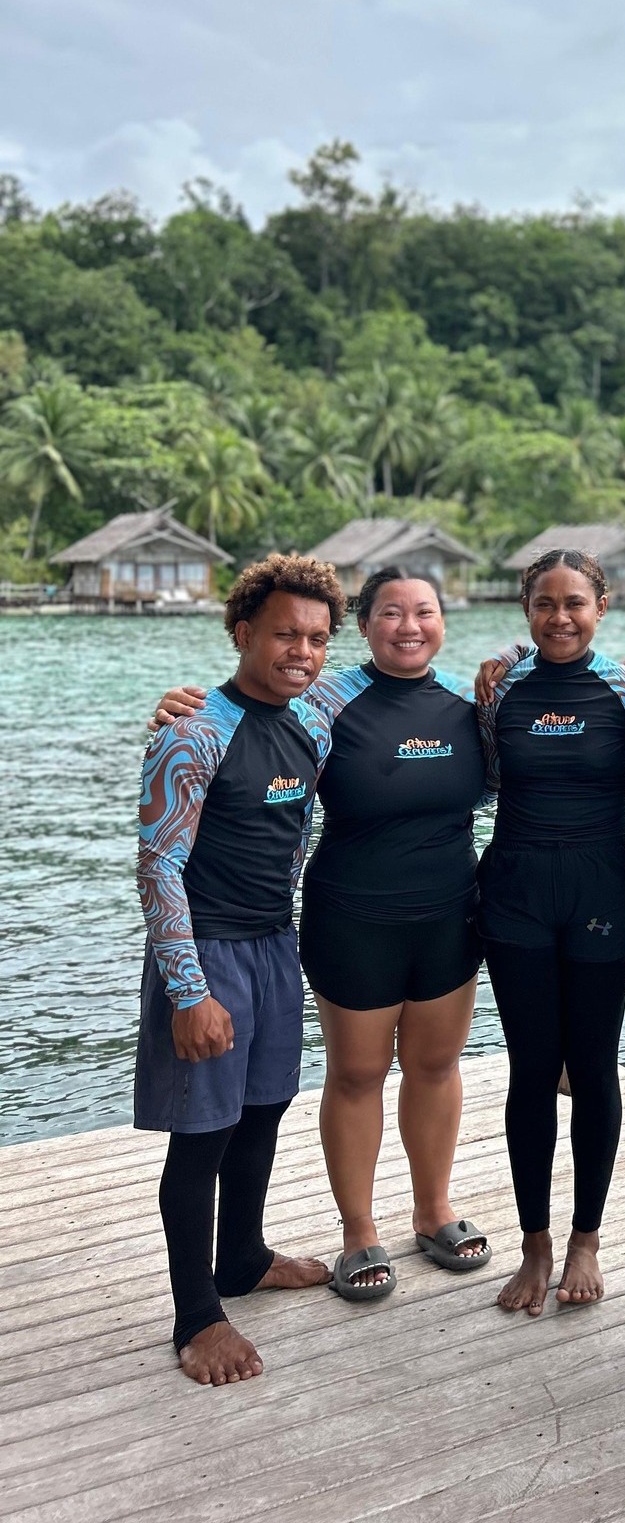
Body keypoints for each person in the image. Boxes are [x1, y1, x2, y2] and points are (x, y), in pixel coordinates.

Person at [152, 567, 494, 1299]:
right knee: (354, 1075)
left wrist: (512, 668)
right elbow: (240, 714)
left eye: (425, 612)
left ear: (444, 622)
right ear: (365, 627)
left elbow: (541, 720)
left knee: (427, 1069)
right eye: (391, 613)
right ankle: (357, 1233)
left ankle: (433, 1211)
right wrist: (180, 706)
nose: (409, 626)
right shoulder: (324, 699)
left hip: (442, 918)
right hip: (347, 920)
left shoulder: (472, 702)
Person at [136, 554, 343, 1384]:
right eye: (285, 633)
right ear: (242, 633)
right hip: (208, 952)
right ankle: (196, 1317)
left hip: (272, 945)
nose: (302, 650)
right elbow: (158, 866)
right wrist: (189, 991)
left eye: (318, 638)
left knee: (264, 1109)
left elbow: (403, 667)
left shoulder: (314, 724)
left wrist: (501, 665)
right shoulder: (194, 731)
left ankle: (244, 1256)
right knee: (203, 1136)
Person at [477, 550, 625, 1315]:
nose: (560, 618)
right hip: (514, 893)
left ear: (602, 606)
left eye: (575, 603)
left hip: (602, 889)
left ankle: (586, 1239)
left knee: (595, 1065)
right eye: (545, 604)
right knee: (532, 1070)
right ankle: (535, 1242)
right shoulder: (498, 687)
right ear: (525, 609)